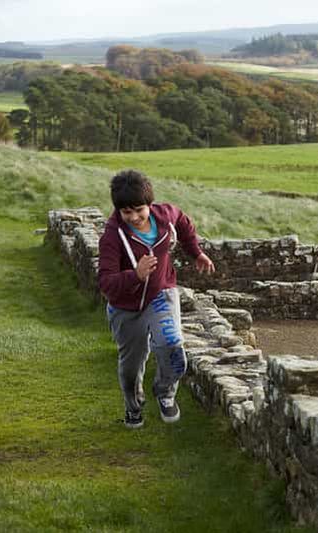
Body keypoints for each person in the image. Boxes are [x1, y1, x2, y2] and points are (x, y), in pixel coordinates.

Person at [98, 169, 215, 429]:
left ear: (150, 204)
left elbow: (184, 223)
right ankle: (133, 407)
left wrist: (196, 253)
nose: (134, 217)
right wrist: (135, 276)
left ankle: (165, 392)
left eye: (139, 209)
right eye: (126, 212)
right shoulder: (112, 237)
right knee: (131, 368)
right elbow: (106, 283)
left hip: (161, 294)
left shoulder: (166, 215)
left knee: (174, 348)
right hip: (125, 308)